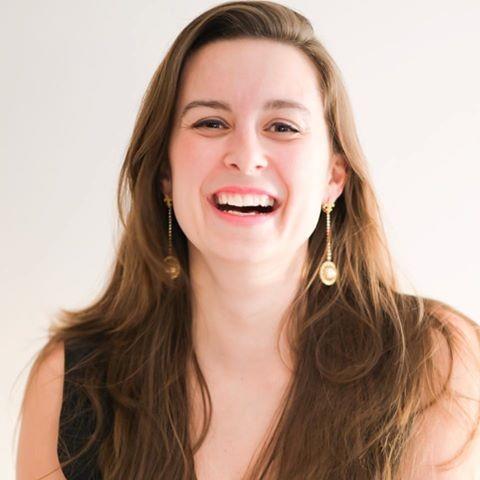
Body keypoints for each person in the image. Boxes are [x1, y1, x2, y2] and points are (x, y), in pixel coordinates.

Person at [15, 1, 480, 479]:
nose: (246, 154)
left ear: (333, 177)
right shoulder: (71, 381)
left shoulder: (435, 363)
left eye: (282, 127)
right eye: (211, 123)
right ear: (165, 174)